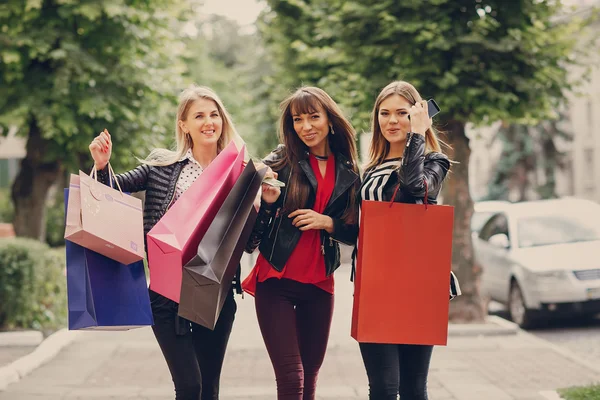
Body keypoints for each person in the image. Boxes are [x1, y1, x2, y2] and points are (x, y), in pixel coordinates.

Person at [88, 84, 277, 400]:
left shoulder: (240, 173)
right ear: (184, 125)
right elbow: (111, 192)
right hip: (166, 294)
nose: (209, 122)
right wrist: (102, 165)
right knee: (190, 387)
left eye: (214, 114)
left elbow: (249, 244)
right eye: (199, 115)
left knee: (208, 389)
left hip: (215, 291)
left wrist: (267, 205)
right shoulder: (161, 169)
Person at [243, 86, 361, 400]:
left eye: (313, 117)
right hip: (276, 280)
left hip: (319, 285)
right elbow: (251, 232)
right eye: (298, 119)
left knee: (309, 380)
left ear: (330, 120)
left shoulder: (349, 171)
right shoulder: (283, 160)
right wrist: (268, 203)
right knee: (292, 380)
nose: (305, 126)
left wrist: (328, 222)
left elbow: (354, 231)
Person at [357, 81, 453, 400]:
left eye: (402, 113)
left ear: (418, 117)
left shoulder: (435, 162)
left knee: (413, 388)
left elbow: (414, 188)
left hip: (418, 286)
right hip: (374, 285)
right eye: (384, 113)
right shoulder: (368, 170)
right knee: (384, 388)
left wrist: (417, 137)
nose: (392, 121)